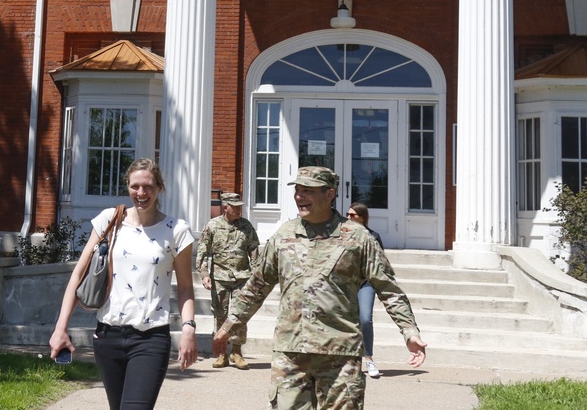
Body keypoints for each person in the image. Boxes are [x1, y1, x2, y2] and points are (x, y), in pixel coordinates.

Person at [212, 166, 427, 410]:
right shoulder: (284, 235)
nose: (299, 197)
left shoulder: (358, 237)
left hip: (340, 353)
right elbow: (256, 286)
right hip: (291, 353)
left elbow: (388, 288)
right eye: (298, 190)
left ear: (330, 194)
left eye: (308, 191)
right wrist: (229, 326)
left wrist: (409, 331)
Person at [50, 158, 198, 410]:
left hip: (151, 339)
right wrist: (60, 328)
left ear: (159, 187)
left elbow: (185, 287)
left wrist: (188, 329)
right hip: (108, 336)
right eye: (135, 186)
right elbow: (79, 274)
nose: (141, 193)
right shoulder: (110, 220)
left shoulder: (177, 230)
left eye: (148, 186)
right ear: (128, 187)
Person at [196, 191, 260, 369]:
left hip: (242, 277)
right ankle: (222, 353)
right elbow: (203, 251)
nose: (240, 210)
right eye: (236, 207)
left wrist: (256, 275)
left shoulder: (246, 226)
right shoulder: (213, 225)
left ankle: (237, 352)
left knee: (240, 315)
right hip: (220, 277)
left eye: (240, 207)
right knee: (221, 315)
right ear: (226, 207)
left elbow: (254, 250)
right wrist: (204, 274)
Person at [348, 201, 383, 379]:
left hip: (366, 283)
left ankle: (368, 357)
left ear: (362, 218)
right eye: (348, 215)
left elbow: (381, 264)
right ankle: (349, 360)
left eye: (353, 215)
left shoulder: (374, 237)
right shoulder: (341, 235)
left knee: (365, 319)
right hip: (346, 284)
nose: (349, 218)